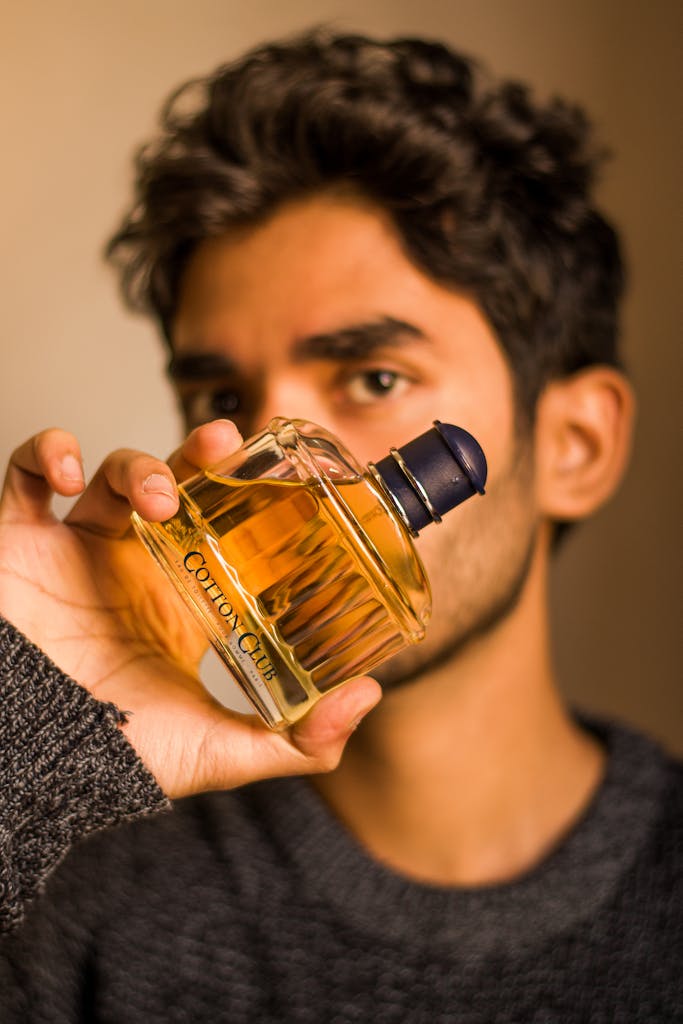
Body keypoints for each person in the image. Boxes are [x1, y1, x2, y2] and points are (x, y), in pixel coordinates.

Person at [0, 28, 680, 1022]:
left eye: (372, 378)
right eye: (222, 393)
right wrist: (19, 740)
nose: (254, 457)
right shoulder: (72, 877)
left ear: (573, 444)